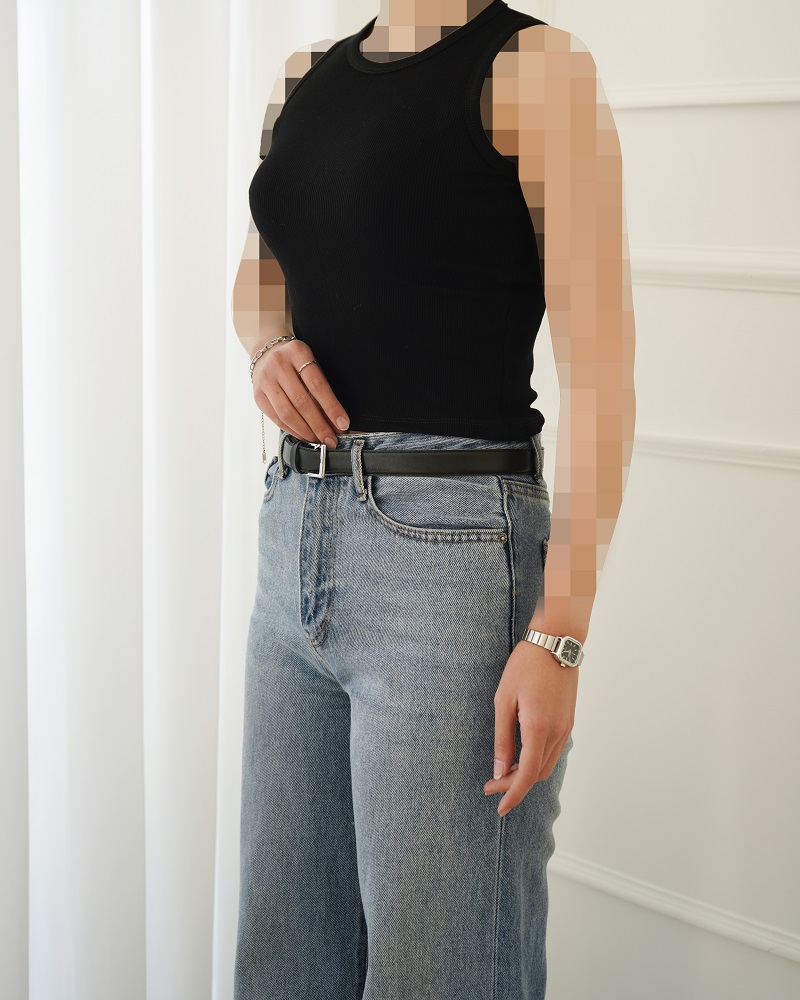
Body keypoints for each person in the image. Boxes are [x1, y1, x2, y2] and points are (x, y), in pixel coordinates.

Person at [230, 2, 636, 997]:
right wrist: (267, 345)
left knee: (442, 967)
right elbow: (260, 272)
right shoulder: (304, 78)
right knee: (283, 958)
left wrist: (559, 635)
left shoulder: (535, 67)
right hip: (294, 535)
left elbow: (603, 376)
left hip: (449, 560)